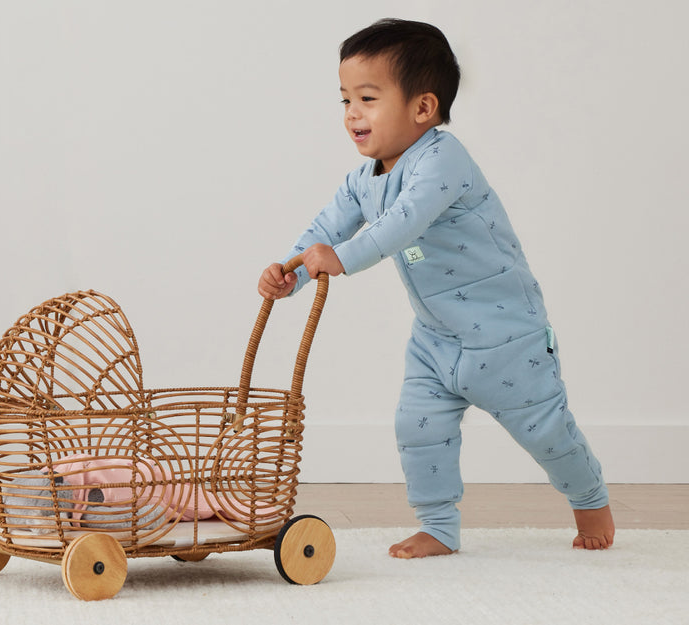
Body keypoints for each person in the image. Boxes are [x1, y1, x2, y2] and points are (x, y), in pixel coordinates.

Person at [258, 19, 615, 558]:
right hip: (436, 340)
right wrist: (293, 271)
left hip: (506, 339)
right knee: (416, 429)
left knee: (545, 431)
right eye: (345, 99)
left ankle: (589, 497)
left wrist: (341, 260)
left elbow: (402, 223)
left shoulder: (444, 161)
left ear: (423, 109)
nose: (352, 113)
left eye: (368, 98)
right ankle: (439, 526)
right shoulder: (365, 178)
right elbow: (326, 230)